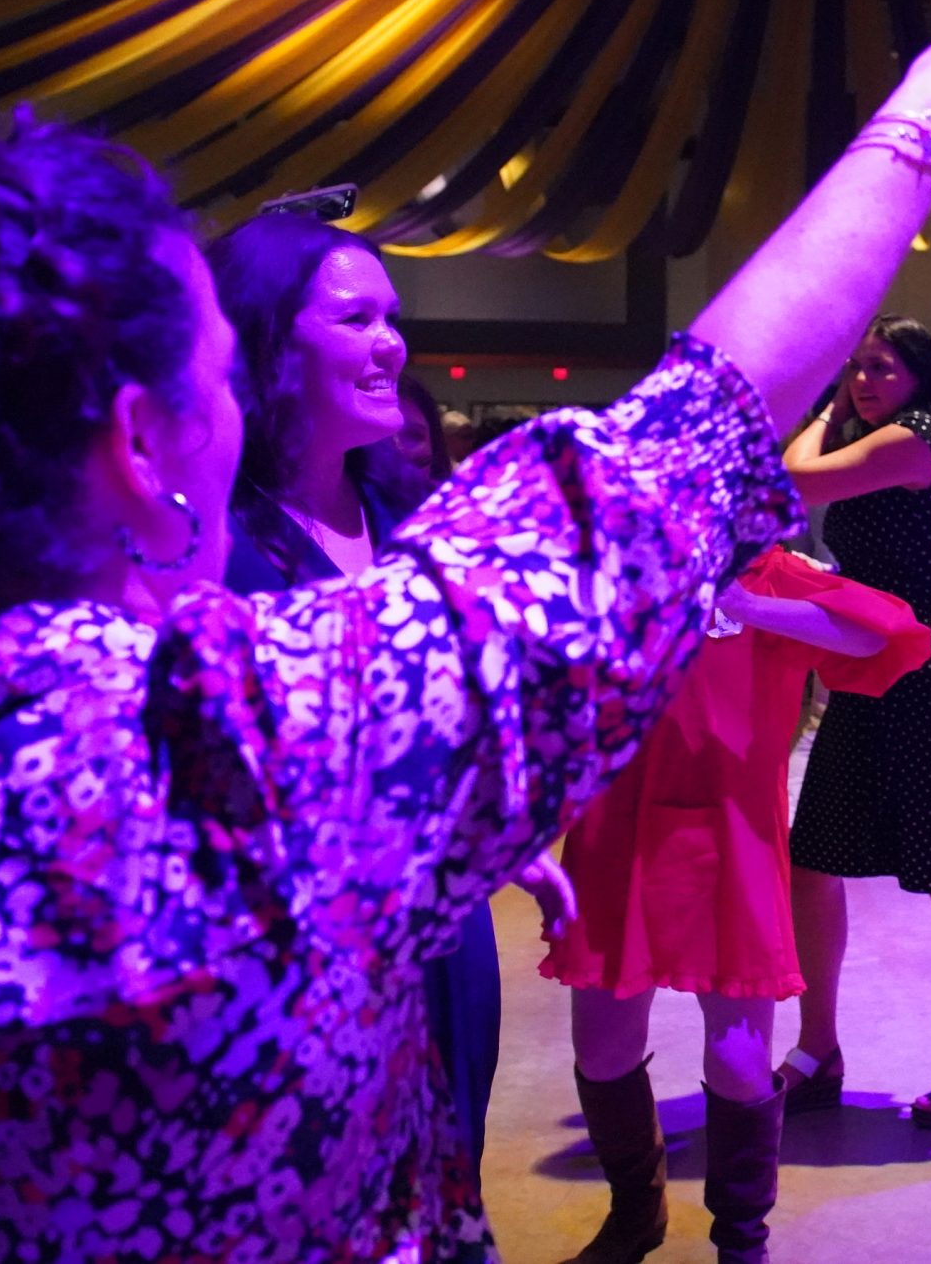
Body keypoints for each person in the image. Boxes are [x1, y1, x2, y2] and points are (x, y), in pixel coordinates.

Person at [0, 26, 931, 1261]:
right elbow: (675, 449)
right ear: (138, 445)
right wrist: (919, 130)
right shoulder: (234, 747)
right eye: (219, 378)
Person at [207, 211, 560, 1186]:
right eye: (356, 318)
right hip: (303, 961)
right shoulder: (216, 541)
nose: (391, 344)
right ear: (269, 338)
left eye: (392, 317)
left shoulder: (407, 517)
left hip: (444, 937)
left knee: (447, 1185)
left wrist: (504, 838)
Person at [544, 547, 930, 1264]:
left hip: (732, 844)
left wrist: (747, 605)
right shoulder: (602, 568)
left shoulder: (764, 573)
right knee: (601, 1050)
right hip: (614, 833)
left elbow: (885, 632)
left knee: (740, 1061)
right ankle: (635, 1214)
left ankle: (742, 1243)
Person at [778, 315, 931, 1127]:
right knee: (812, 857)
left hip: (922, 665)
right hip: (867, 663)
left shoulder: (917, 438)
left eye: (882, 367)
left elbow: (796, 479)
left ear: (919, 377)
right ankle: (818, 1049)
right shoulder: (873, 439)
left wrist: (827, 410)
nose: (864, 380)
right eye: (856, 367)